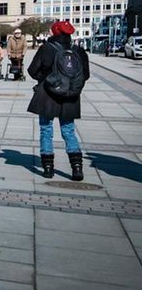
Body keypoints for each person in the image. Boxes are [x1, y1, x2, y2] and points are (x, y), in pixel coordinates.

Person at [27, 20, 89, 181]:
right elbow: (85, 75)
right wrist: (69, 85)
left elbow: (32, 70)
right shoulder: (79, 51)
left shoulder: (47, 48)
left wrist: (48, 80)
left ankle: (48, 168)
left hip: (48, 96)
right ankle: (76, 169)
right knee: (69, 131)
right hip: (70, 97)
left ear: (55, 32)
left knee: (46, 130)